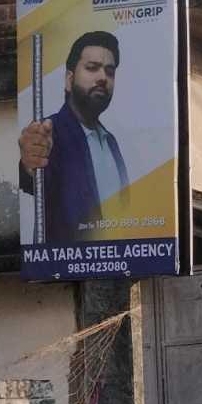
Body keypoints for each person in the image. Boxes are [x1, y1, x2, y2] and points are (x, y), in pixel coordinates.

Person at [19, 30, 131, 247]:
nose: (103, 77)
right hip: (68, 264)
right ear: (69, 80)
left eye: (110, 72)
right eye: (92, 68)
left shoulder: (111, 142)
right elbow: (33, 178)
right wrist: (28, 164)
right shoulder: (49, 132)